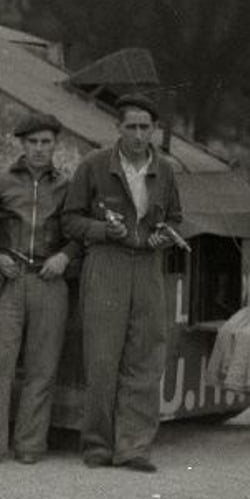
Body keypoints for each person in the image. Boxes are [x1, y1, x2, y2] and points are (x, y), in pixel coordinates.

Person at [62, 94, 183, 473]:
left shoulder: (165, 170)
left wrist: (166, 234)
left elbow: (177, 218)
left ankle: (134, 446)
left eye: (144, 127)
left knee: (145, 358)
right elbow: (70, 220)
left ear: (155, 131)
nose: (137, 134)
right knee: (101, 358)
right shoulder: (94, 166)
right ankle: (97, 444)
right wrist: (103, 229)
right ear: (117, 128)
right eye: (130, 126)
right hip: (106, 264)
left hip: (148, 265)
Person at [0, 113, 80, 465]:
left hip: (49, 281)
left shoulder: (67, 186)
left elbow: (79, 232)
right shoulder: (0, 183)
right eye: (33, 142)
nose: (39, 149)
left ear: (54, 145)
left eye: (46, 142)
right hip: (10, 280)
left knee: (42, 367)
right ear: (22, 144)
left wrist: (65, 256)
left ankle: (30, 444)